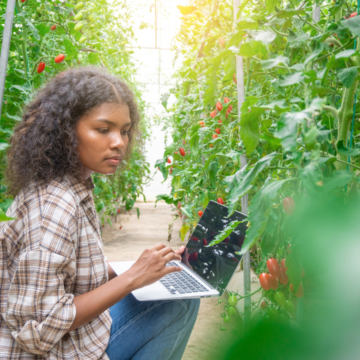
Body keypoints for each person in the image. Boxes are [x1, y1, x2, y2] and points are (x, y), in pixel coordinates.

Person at [0, 67, 200, 359]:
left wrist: (145, 267)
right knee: (180, 303)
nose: (119, 141)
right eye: (103, 129)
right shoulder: (55, 206)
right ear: (66, 131)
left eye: (125, 130)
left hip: (74, 341)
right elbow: (37, 331)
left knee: (172, 293)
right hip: (50, 352)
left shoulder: (72, 186)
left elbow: (68, 275)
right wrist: (130, 278)